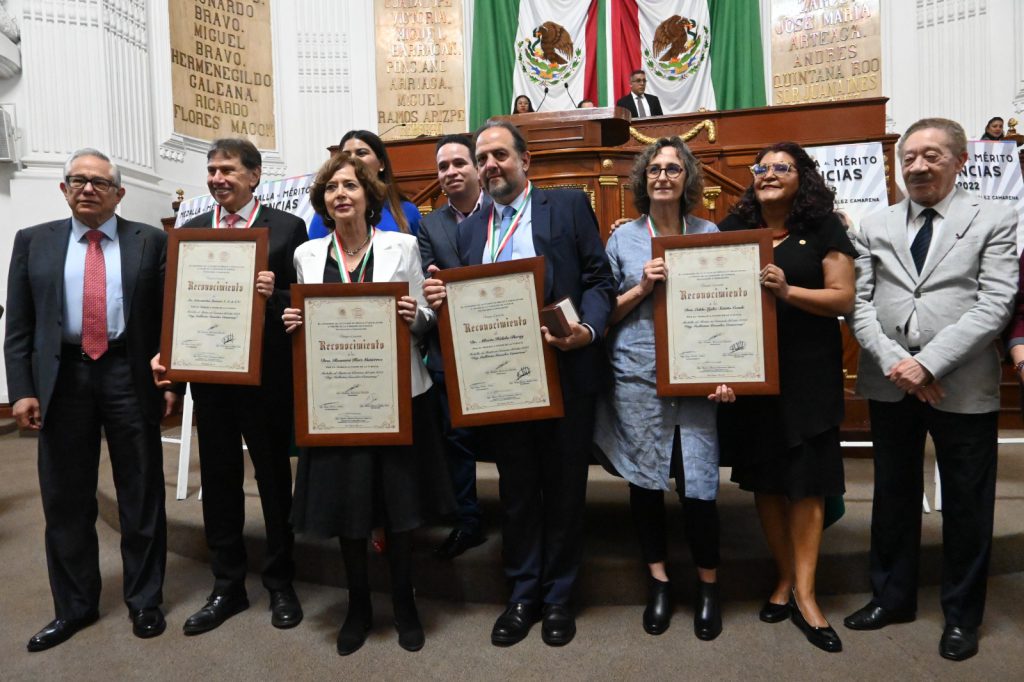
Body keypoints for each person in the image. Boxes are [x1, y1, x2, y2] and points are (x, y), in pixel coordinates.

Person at [424, 120, 615, 647]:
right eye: (482, 158)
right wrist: (445, 302)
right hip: (503, 380)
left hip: (566, 368)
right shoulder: (469, 230)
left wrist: (588, 329)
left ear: (525, 161)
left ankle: (559, 598)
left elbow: (600, 279)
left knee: (564, 490)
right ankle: (523, 594)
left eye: (499, 156)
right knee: (517, 494)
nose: (489, 166)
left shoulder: (568, 205)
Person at [845, 118, 1018, 662]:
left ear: (961, 160)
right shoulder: (873, 226)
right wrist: (902, 364)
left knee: (968, 503)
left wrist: (930, 365)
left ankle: (962, 617)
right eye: (909, 157)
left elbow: (995, 304)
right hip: (890, 381)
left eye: (932, 156)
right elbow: (859, 304)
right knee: (893, 495)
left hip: (960, 385)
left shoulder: (995, 217)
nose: (917, 167)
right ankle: (891, 598)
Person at [282, 151, 454, 655]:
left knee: (399, 509)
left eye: (350, 186)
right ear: (323, 200)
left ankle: (404, 603)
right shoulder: (307, 256)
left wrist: (414, 315)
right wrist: (294, 325)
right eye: (332, 188)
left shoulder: (402, 246)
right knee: (349, 510)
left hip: (398, 396)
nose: (341, 194)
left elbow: (426, 314)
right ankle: (358, 606)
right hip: (335, 402)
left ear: (369, 195)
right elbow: (306, 323)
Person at [5, 148, 174, 650]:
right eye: (77, 180)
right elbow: (19, 326)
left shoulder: (152, 242)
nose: (87, 188)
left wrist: (170, 382)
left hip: (128, 373)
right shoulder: (33, 241)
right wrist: (22, 390)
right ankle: (74, 607)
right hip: (63, 378)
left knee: (141, 493)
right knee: (65, 498)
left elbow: (169, 319)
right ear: (63, 189)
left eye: (99, 182)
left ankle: (145, 600)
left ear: (119, 193)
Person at [154, 138, 308, 635]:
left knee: (271, 479)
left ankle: (281, 581)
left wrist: (275, 292)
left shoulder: (287, 229)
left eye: (228, 170)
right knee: (219, 480)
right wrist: (172, 362)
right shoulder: (190, 232)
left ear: (255, 175)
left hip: (267, 377)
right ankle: (228, 585)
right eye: (212, 170)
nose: (218, 178)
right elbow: (174, 303)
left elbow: (301, 302)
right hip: (211, 376)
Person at [717, 141, 856, 653]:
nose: (769, 173)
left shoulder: (823, 229)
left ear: (803, 178)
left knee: (807, 485)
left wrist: (788, 292)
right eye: (762, 167)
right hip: (753, 378)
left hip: (808, 376)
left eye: (782, 167)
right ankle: (783, 579)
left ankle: (807, 592)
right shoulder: (733, 232)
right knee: (769, 484)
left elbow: (842, 298)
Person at [593, 137, 734, 641]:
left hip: (697, 377)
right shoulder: (622, 240)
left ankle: (708, 587)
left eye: (673, 169)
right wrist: (642, 287)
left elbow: (729, 308)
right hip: (637, 374)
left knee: (699, 487)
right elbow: (602, 315)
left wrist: (728, 370)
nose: (663, 177)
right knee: (646, 485)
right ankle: (658, 583)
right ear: (642, 179)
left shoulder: (710, 232)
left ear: (687, 178)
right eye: (654, 169)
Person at [418, 134, 491, 560]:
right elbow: (431, 284)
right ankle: (468, 521)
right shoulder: (429, 226)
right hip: (449, 348)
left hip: (502, 341)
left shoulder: (501, 214)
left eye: (458, 163)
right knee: (457, 440)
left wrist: (456, 279)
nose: (450, 172)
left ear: (477, 168)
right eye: (443, 167)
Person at [310, 129, 421, 237]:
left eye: (361, 153)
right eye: (346, 155)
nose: (353, 159)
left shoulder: (406, 211)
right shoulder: (328, 212)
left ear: (381, 164)